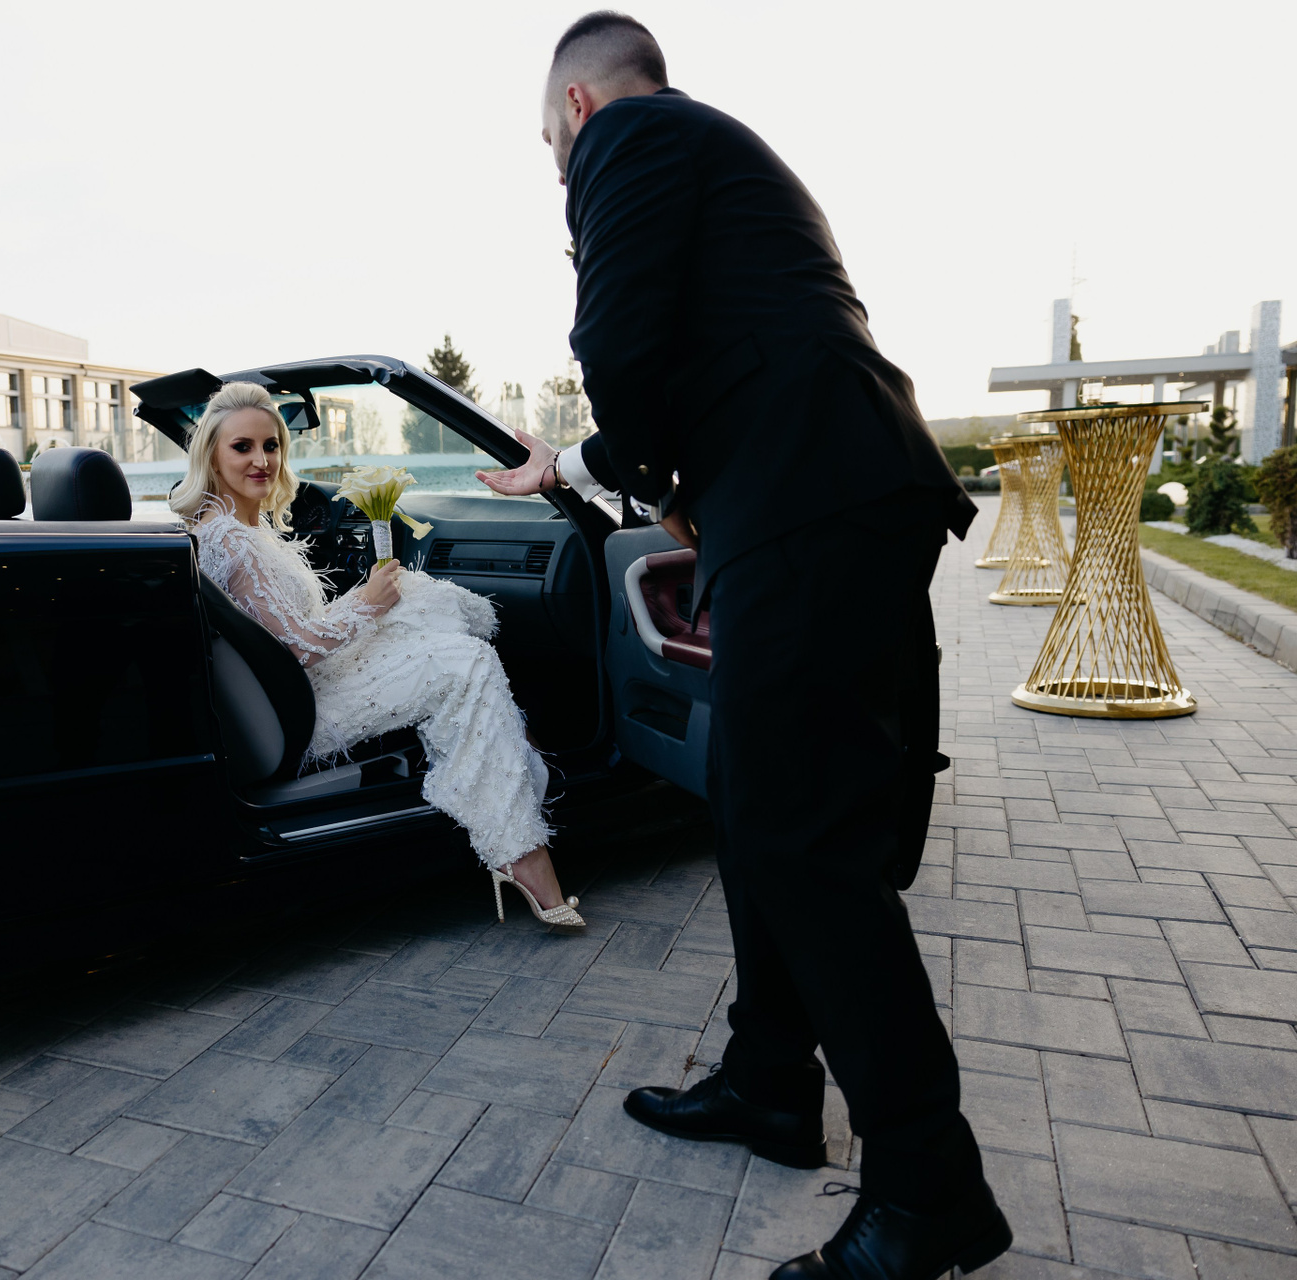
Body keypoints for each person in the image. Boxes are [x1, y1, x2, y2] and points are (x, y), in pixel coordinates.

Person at [477, 13, 1010, 1280]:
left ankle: (929, 1187)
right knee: (755, 800)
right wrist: (599, 468)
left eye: (549, 143)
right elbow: (714, 350)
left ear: (577, 107)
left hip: (809, 502)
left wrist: (633, 463)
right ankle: (771, 1079)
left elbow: (620, 339)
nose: (557, 168)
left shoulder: (632, 135)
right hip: (822, 492)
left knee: (802, 837)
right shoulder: (716, 158)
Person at [174, 380, 583, 927]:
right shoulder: (233, 540)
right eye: (242, 447)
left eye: (270, 445)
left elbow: (281, 635)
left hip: (289, 688)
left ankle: (503, 751)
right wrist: (367, 603)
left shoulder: (224, 527)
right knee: (469, 663)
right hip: (307, 706)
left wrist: (376, 599)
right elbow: (295, 647)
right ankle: (519, 849)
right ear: (212, 455)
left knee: (425, 598)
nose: (261, 460)